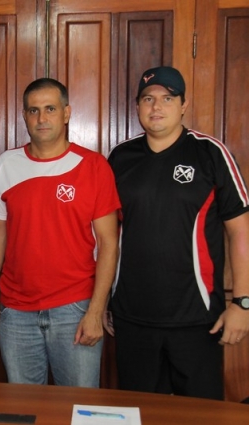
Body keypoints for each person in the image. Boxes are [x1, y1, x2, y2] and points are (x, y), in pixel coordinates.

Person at [106, 66, 249, 399]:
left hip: (197, 320)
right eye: (148, 99)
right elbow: (107, 235)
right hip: (132, 317)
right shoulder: (120, 158)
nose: (156, 107)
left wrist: (242, 303)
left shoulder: (211, 153)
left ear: (184, 105)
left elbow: (240, 231)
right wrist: (104, 302)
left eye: (167, 98)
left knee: (199, 416)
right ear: (138, 106)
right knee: (137, 414)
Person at [0, 78, 120, 387]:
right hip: (16, 313)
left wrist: (97, 310)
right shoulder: (7, 164)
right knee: (25, 411)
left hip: (75, 309)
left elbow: (110, 243)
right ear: (25, 116)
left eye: (50, 109)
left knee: (80, 408)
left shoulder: (93, 166)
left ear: (66, 113)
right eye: (33, 110)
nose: (41, 118)